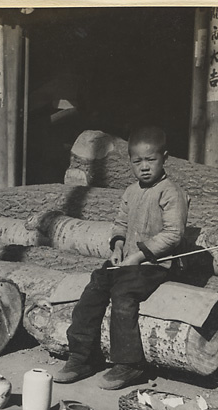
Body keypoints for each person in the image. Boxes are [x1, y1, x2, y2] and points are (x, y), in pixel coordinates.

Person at [54, 125, 189, 390]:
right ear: (130, 162)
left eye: (151, 160)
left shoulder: (171, 192)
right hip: (127, 261)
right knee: (94, 287)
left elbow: (173, 234)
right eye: (137, 162)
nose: (145, 167)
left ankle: (129, 365)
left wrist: (138, 256)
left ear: (165, 158)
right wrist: (117, 247)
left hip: (154, 264)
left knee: (124, 295)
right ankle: (81, 357)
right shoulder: (130, 192)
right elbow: (120, 224)